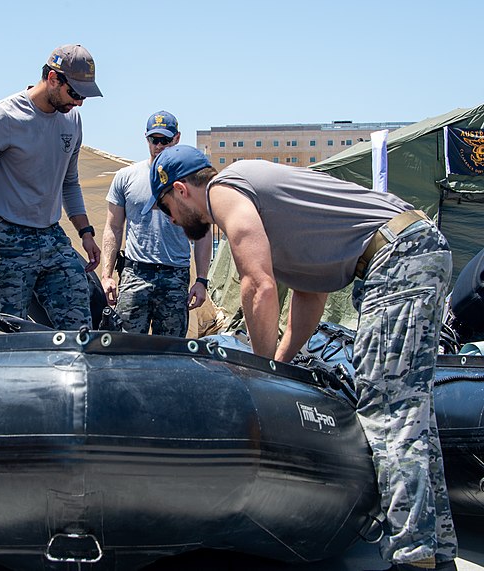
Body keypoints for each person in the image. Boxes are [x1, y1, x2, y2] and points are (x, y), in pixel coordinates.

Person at [142, 145, 457, 571]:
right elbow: (309, 296)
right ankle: (436, 551)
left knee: (389, 413)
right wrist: (280, 366)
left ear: (181, 190)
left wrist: (256, 371)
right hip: (414, 247)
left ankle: (413, 557)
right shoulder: (276, 213)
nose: (173, 223)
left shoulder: (225, 190)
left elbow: (258, 285)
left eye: (166, 210)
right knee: (410, 411)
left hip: (397, 256)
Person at [0, 44, 103, 329]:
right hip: (5, 236)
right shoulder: (3, 117)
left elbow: (70, 181)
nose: (79, 103)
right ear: (52, 79)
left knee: (80, 327)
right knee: (3, 334)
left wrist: (86, 233)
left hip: (51, 237)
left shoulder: (72, 120)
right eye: (74, 93)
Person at [100, 111, 211, 336]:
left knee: (170, 352)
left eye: (165, 140)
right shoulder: (126, 176)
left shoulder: (192, 180)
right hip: (135, 273)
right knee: (127, 346)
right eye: (154, 140)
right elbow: (113, 227)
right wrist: (107, 275)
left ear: (177, 138)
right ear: (146, 139)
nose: (159, 145)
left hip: (174, 275)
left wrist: (201, 280)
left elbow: (203, 232)